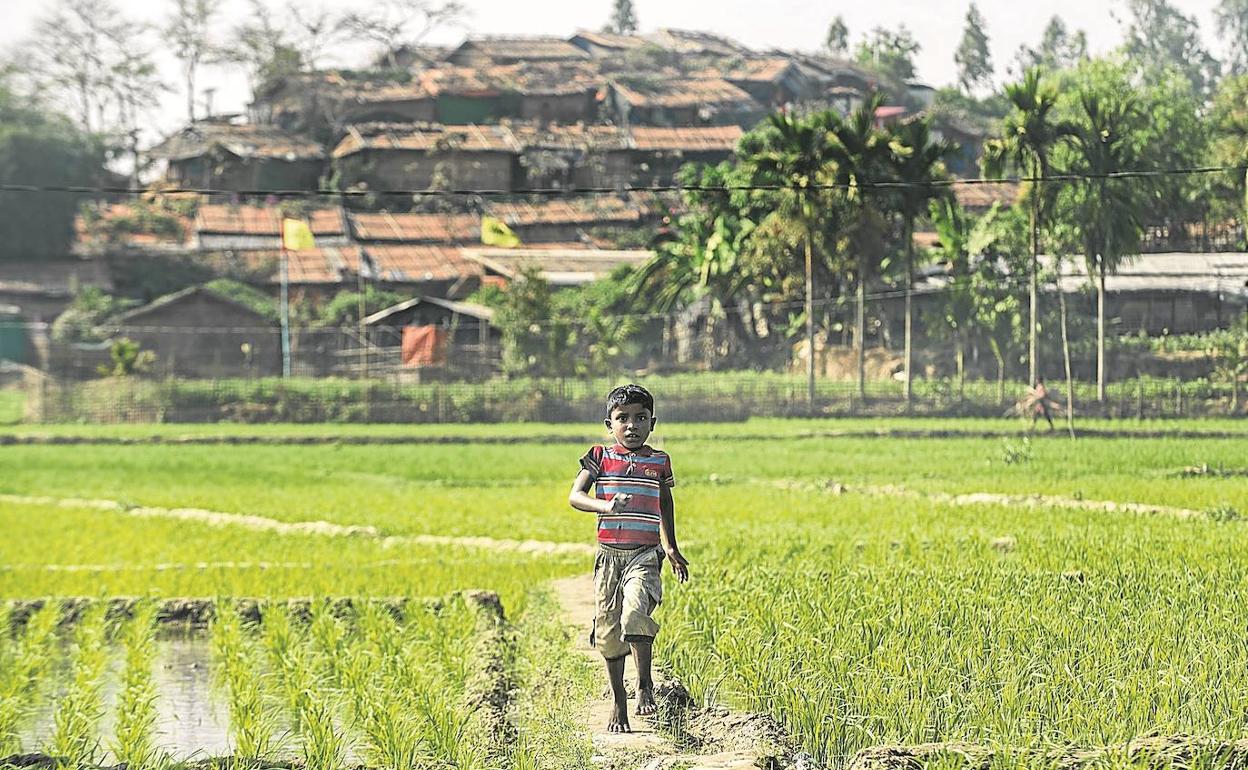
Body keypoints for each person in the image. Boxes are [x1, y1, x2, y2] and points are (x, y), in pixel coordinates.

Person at [568, 384, 690, 734]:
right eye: (623, 419)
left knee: (635, 612)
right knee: (608, 634)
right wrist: (606, 506)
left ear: (653, 422)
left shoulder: (659, 460)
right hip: (609, 558)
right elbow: (576, 496)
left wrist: (670, 546)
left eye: (640, 418)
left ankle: (645, 684)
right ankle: (619, 700)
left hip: (645, 554)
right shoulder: (600, 457)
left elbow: (664, 501)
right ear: (610, 424)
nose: (631, 425)